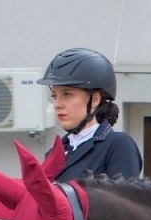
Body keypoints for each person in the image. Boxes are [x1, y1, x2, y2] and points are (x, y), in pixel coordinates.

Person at [41, 47, 142, 183]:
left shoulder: (118, 145)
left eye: (67, 94)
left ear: (95, 99)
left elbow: (122, 201)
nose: (57, 104)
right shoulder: (53, 153)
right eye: (55, 96)